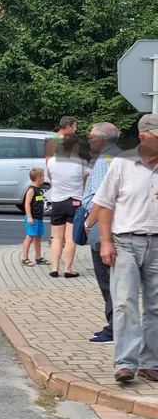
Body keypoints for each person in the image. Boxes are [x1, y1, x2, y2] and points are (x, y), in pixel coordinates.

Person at [94, 113, 158, 383]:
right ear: (144, 137)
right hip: (125, 242)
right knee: (124, 303)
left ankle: (151, 362)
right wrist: (106, 242)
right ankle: (125, 364)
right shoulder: (122, 164)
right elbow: (105, 204)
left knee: (155, 307)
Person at [81, 122, 123, 342]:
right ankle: (113, 325)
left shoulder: (107, 161)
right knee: (110, 282)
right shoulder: (118, 156)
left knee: (107, 281)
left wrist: (88, 224)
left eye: (90, 138)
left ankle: (115, 329)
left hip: (102, 229)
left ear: (100, 140)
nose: (88, 141)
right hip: (111, 227)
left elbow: (101, 199)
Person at [46, 133, 89, 277]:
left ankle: (54, 268)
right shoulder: (82, 163)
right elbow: (85, 181)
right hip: (75, 202)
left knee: (57, 237)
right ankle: (68, 269)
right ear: (75, 146)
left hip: (58, 201)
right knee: (70, 237)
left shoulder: (52, 161)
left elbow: (51, 177)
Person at [21, 168, 47, 266]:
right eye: (43, 176)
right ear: (38, 177)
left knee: (38, 237)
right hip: (33, 218)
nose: (44, 178)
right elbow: (27, 204)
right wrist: (29, 217)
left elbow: (39, 200)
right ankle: (25, 258)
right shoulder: (31, 190)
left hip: (39, 217)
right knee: (29, 237)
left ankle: (38, 257)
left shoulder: (39, 189)